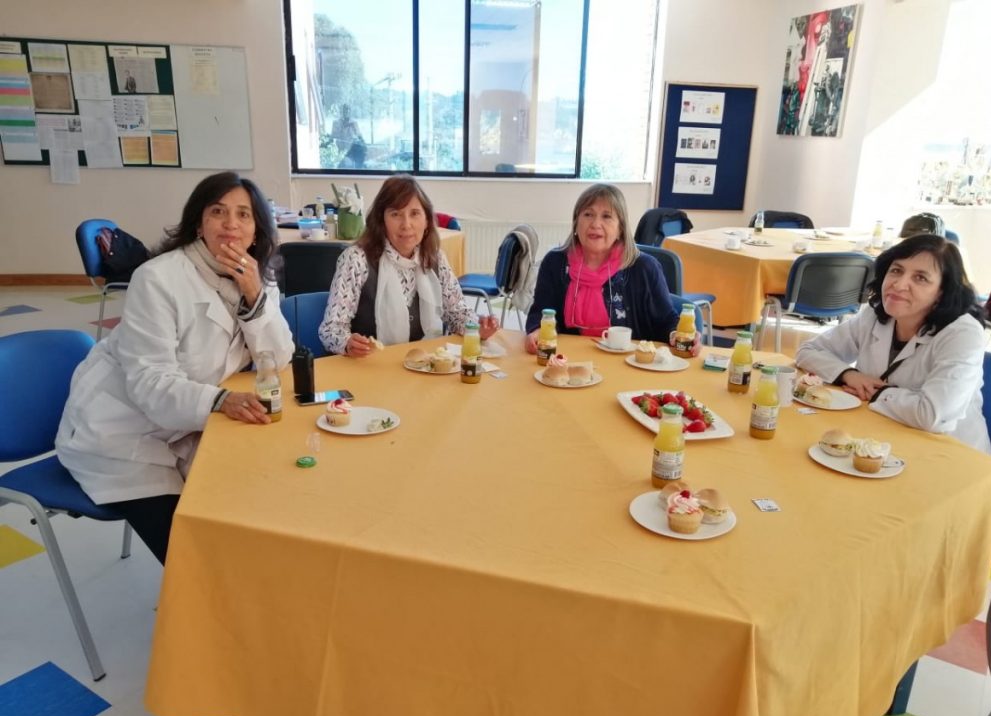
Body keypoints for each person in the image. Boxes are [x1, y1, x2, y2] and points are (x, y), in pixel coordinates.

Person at [56, 171, 294, 564]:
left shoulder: (257, 277)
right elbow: (150, 384)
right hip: (122, 436)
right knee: (195, 558)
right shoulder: (158, 278)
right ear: (199, 224)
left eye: (243, 215)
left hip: (189, 425)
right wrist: (220, 401)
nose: (231, 224)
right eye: (218, 212)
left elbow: (278, 357)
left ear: (257, 231)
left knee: (260, 506)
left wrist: (254, 296)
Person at [795, 234, 990, 452]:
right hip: (881, 437)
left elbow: (932, 415)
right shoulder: (874, 314)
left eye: (920, 278)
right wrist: (849, 375)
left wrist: (878, 393)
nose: (899, 284)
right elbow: (808, 351)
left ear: (941, 293)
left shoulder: (963, 334)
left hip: (947, 452)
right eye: (896, 270)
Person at [319, 174, 499, 356]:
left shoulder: (435, 258)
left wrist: (476, 327)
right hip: (368, 365)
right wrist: (347, 343)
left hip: (424, 363)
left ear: (427, 220)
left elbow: (456, 313)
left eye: (414, 214)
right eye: (395, 214)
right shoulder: (356, 259)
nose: (406, 225)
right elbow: (331, 329)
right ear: (381, 221)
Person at [524, 184, 680, 353]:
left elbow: (667, 321)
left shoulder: (644, 268)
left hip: (629, 362)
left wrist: (677, 334)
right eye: (588, 214)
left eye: (606, 216)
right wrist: (537, 331)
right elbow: (540, 313)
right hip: (568, 359)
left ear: (620, 229)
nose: (595, 224)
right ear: (576, 223)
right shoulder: (555, 263)